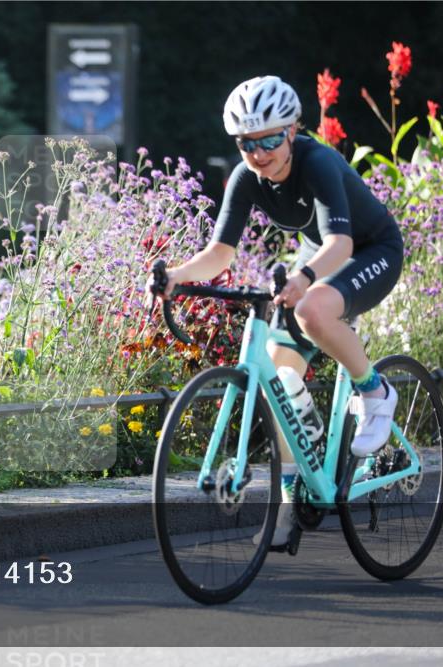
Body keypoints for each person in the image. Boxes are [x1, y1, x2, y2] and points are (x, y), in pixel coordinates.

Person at [147, 75, 405, 547]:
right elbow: (220, 253)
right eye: (247, 142)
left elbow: (340, 243)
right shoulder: (247, 176)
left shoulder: (318, 161)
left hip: (371, 251)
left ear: (291, 131)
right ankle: (294, 494)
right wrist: (177, 277)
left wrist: (305, 278)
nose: (258, 152)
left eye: (269, 139)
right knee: (279, 384)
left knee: (310, 311)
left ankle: (375, 391)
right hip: (320, 262)